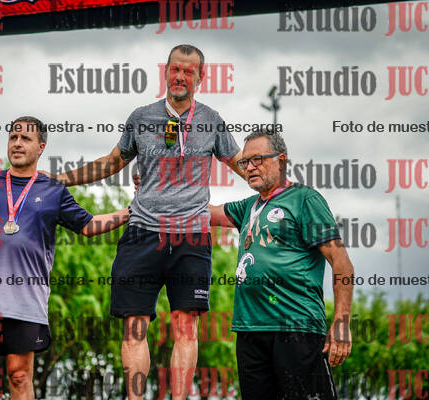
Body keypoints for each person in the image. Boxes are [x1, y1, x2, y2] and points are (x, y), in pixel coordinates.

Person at [52, 44, 244, 399]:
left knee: (186, 327)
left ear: (201, 77)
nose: (180, 77)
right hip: (142, 231)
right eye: (174, 69)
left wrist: (280, 189)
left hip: (191, 235)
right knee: (133, 327)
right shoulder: (141, 117)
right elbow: (113, 162)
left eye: (188, 71)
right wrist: (61, 180)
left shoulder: (212, 120)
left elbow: (240, 163)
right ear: (166, 72)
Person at [0, 116, 129, 400]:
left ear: (41, 147)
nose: (17, 143)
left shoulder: (53, 190)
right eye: (13, 137)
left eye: (25, 138)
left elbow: (89, 225)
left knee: (19, 376)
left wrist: (130, 212)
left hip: (26, 302)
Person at [209, 129, 354, 400]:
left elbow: (341, 263)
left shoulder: (304, 199)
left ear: (281, 160)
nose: (249, 167)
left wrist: (341, 322)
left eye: (258, 159)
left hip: (296, 328)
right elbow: (202, 213)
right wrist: (153, 194)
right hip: (250, 330)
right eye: (245, 162)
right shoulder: (248, 207)